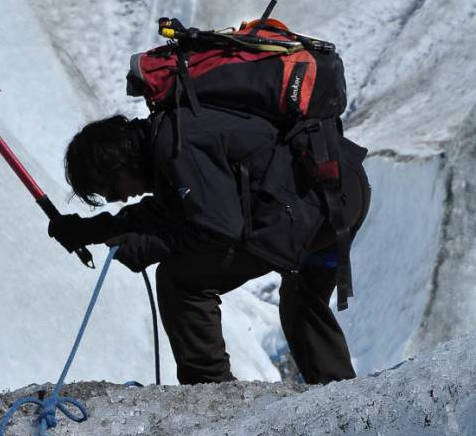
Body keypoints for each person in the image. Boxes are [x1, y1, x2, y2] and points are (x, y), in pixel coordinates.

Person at [48, 106, 370, 385]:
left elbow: (219, 229)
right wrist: (90, 230)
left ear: (119, 165)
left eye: (108, 189)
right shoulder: (171, 136)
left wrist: (151, 246)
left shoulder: (178, 148)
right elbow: (171, 210)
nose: (115, 199)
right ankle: (341, 399)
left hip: (310, 210)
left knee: (180, 280)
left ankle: (213, 395)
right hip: (339, 188)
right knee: (302, 302)